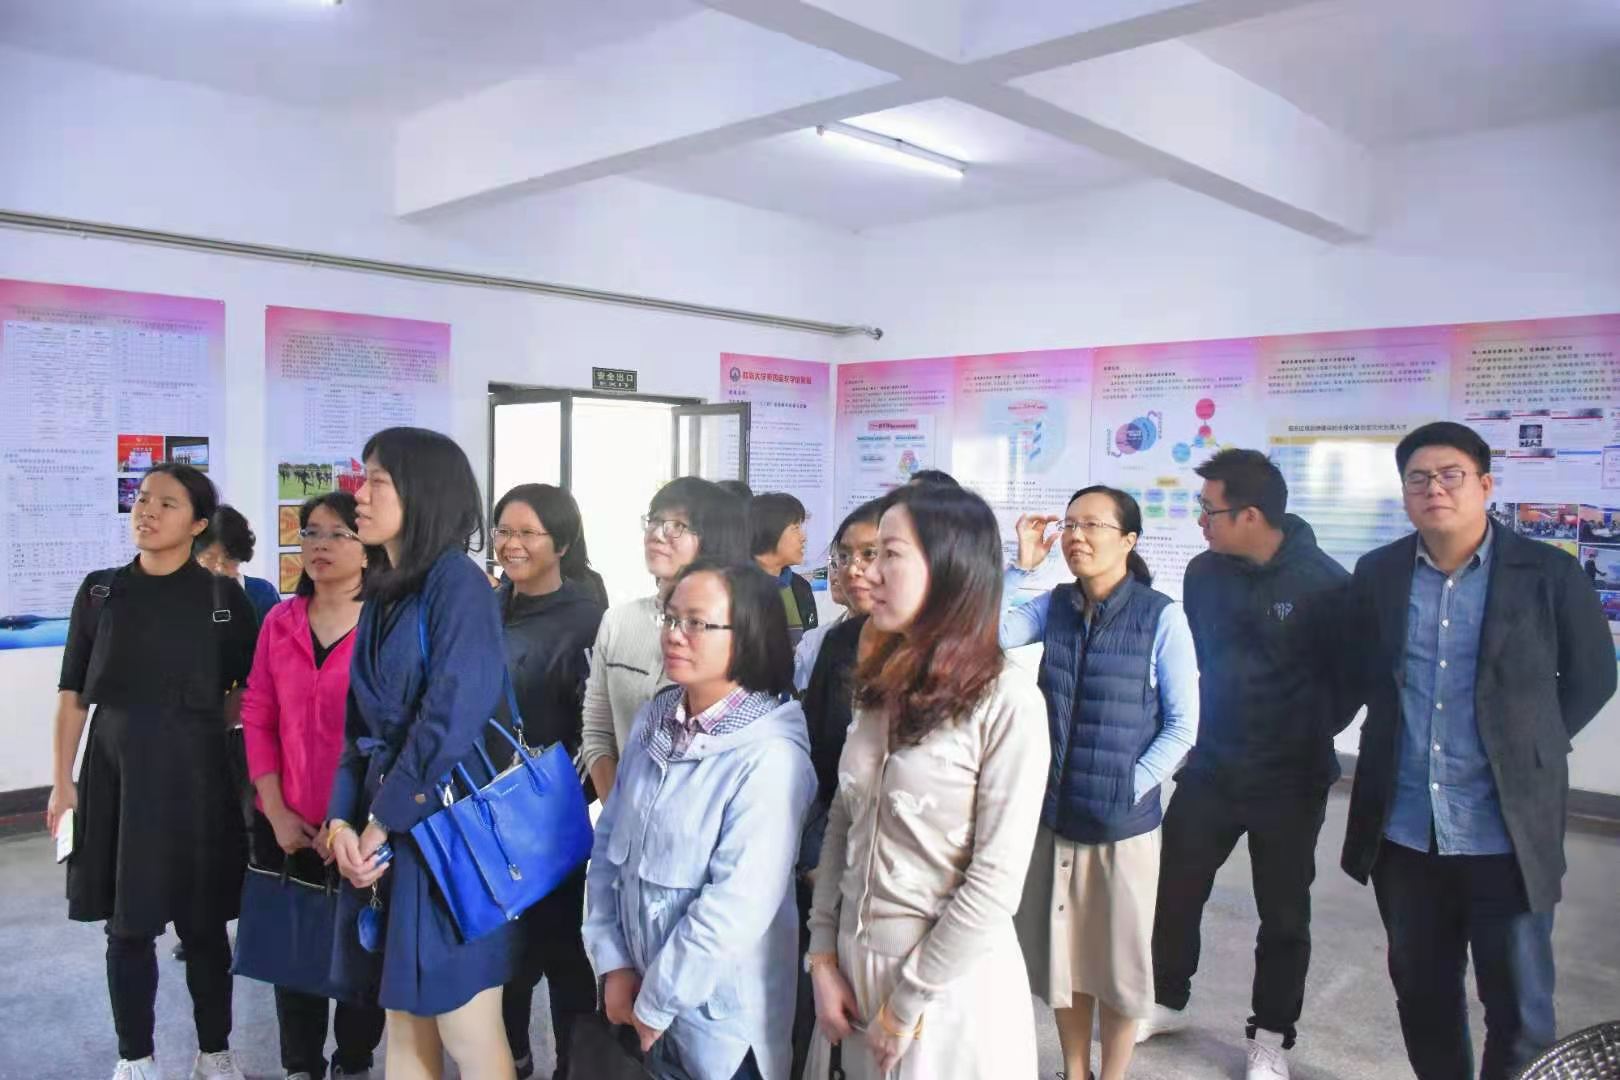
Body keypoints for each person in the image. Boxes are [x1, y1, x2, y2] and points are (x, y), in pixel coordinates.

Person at [1338, 421, 1615, 1080]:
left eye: (1450, 475)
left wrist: (1532, 747)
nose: (1434, 488)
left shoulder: (1547, 572)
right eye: (1418, 478)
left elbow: (1593, 676)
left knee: (1520, 1010)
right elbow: (1360, 670)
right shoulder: (1378, 574)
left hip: (1505, 836)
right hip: (1406, 833)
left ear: (1485, 485)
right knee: (1424, 998)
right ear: (1405, 494)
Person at [804, 483, 1050, 1080]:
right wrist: (822, 954)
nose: (868, 573)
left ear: (949, 569)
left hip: (947, 989)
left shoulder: (1007, 701)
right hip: (850, 975)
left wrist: (906, 1003)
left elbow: (993, 882)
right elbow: (844, 819)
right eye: (867, 555)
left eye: (889, 554)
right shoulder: (879, 682)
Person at [1139, 450, 1352, 1080]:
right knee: (1176, 888)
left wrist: (1300, 732)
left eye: (1209, 510)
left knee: (1283, 913)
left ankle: (1271, 1037)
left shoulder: (1327, 585)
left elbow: (1351, 684)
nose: (1200, 520)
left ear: (1251, 515)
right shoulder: (1204, 572)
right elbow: (1199, 660)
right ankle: (1167, 998)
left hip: (1290, 779)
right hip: (1212, 767)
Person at [46, 464, 260, 1080]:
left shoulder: (224, 599)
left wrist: (200, 724)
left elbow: (245, 692)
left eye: (167, 503)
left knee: (204, 925)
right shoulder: (100, 592)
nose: (148, 511)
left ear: (197, 524)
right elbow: (72, 694)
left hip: (198, 777)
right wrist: (63, 781)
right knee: (128, 923)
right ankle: (135, 1057)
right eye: (142, 499)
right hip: (117, 773)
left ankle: (214, 1052)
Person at [326, 427, 521, 1080]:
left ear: (424, 494)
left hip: (447, 832)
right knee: (405, 1025)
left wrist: (381, 820)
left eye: (377, 481)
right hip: (391, 828)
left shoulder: (457, 584)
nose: (359, 494)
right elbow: (358, 725)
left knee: (467, 1029)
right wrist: (340, 820)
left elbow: (452, 714)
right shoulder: (387, 588)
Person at [583, 560, 815, 1080]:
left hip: (719, 1027)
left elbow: (734, 909)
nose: (674, 634)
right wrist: (613, 962)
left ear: (749, 634)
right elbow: (609, 846)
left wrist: (656, 1003)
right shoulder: (657, 718)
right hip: (637, 992)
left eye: (696, 623)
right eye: (670, 618)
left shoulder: (770, 756)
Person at [1002, 486, 1200, 1080]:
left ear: (1129, 540)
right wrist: (1022, 568)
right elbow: (992, 634)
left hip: (1122, 826)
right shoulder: (1057, 605)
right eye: (1069, 525)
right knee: (1065, 960)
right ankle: (1074, 1070)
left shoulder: (1160, 615)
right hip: (1058, 815)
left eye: (1092, 525)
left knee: (1117, 968)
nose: (1075, 536)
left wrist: (1128, 786)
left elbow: (1183, 725)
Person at [239, 492, 386, 1080]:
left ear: (368, 549)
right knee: (293, 948)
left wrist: (352, 822)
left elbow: (391, 731)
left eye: (337, 534)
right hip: (290, 820)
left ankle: (354, 1062)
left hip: (365, 826)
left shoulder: (385, 624)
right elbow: (258, 714)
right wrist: (275, 810)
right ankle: (300, 1066)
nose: (320, 545)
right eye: (311, 533)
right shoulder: (280, 621)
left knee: (362, 947)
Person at [489, 484, 608, 1080]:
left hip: (548, 812)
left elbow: (594, 726)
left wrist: (557, 798)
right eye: (504, 531)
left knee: (560, 948)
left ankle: (575, 1064)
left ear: (561, 543)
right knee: (501, 948)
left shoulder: (586, 619)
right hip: (482, 812)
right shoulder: (485, 609)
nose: (511, 544)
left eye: (527, 533)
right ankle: (511, 1055)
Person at [578, 477, 750, 800]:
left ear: (713, 540)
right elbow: (598, 729)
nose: (657, 534)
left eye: (677, 526)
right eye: (654, 521)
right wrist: (619, 808)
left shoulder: (733, 627)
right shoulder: (619, 620)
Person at [788, 497, 883, 1076]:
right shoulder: (835, 642)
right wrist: (812, 852)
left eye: (872, 554)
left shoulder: (939, 658)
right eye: (844, 555)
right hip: (829, 851)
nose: (854, 569)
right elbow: (819, 758)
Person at [749, 491, 818, 647]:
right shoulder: (736, 588)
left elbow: (809, 646)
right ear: (770, 530)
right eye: (795, 528)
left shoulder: (800, 587)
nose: (803, 537)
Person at [195, 504, 283, 622]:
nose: (220, 568)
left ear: (240, 555)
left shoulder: (262, 593)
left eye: (229, 557)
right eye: (210, 557)